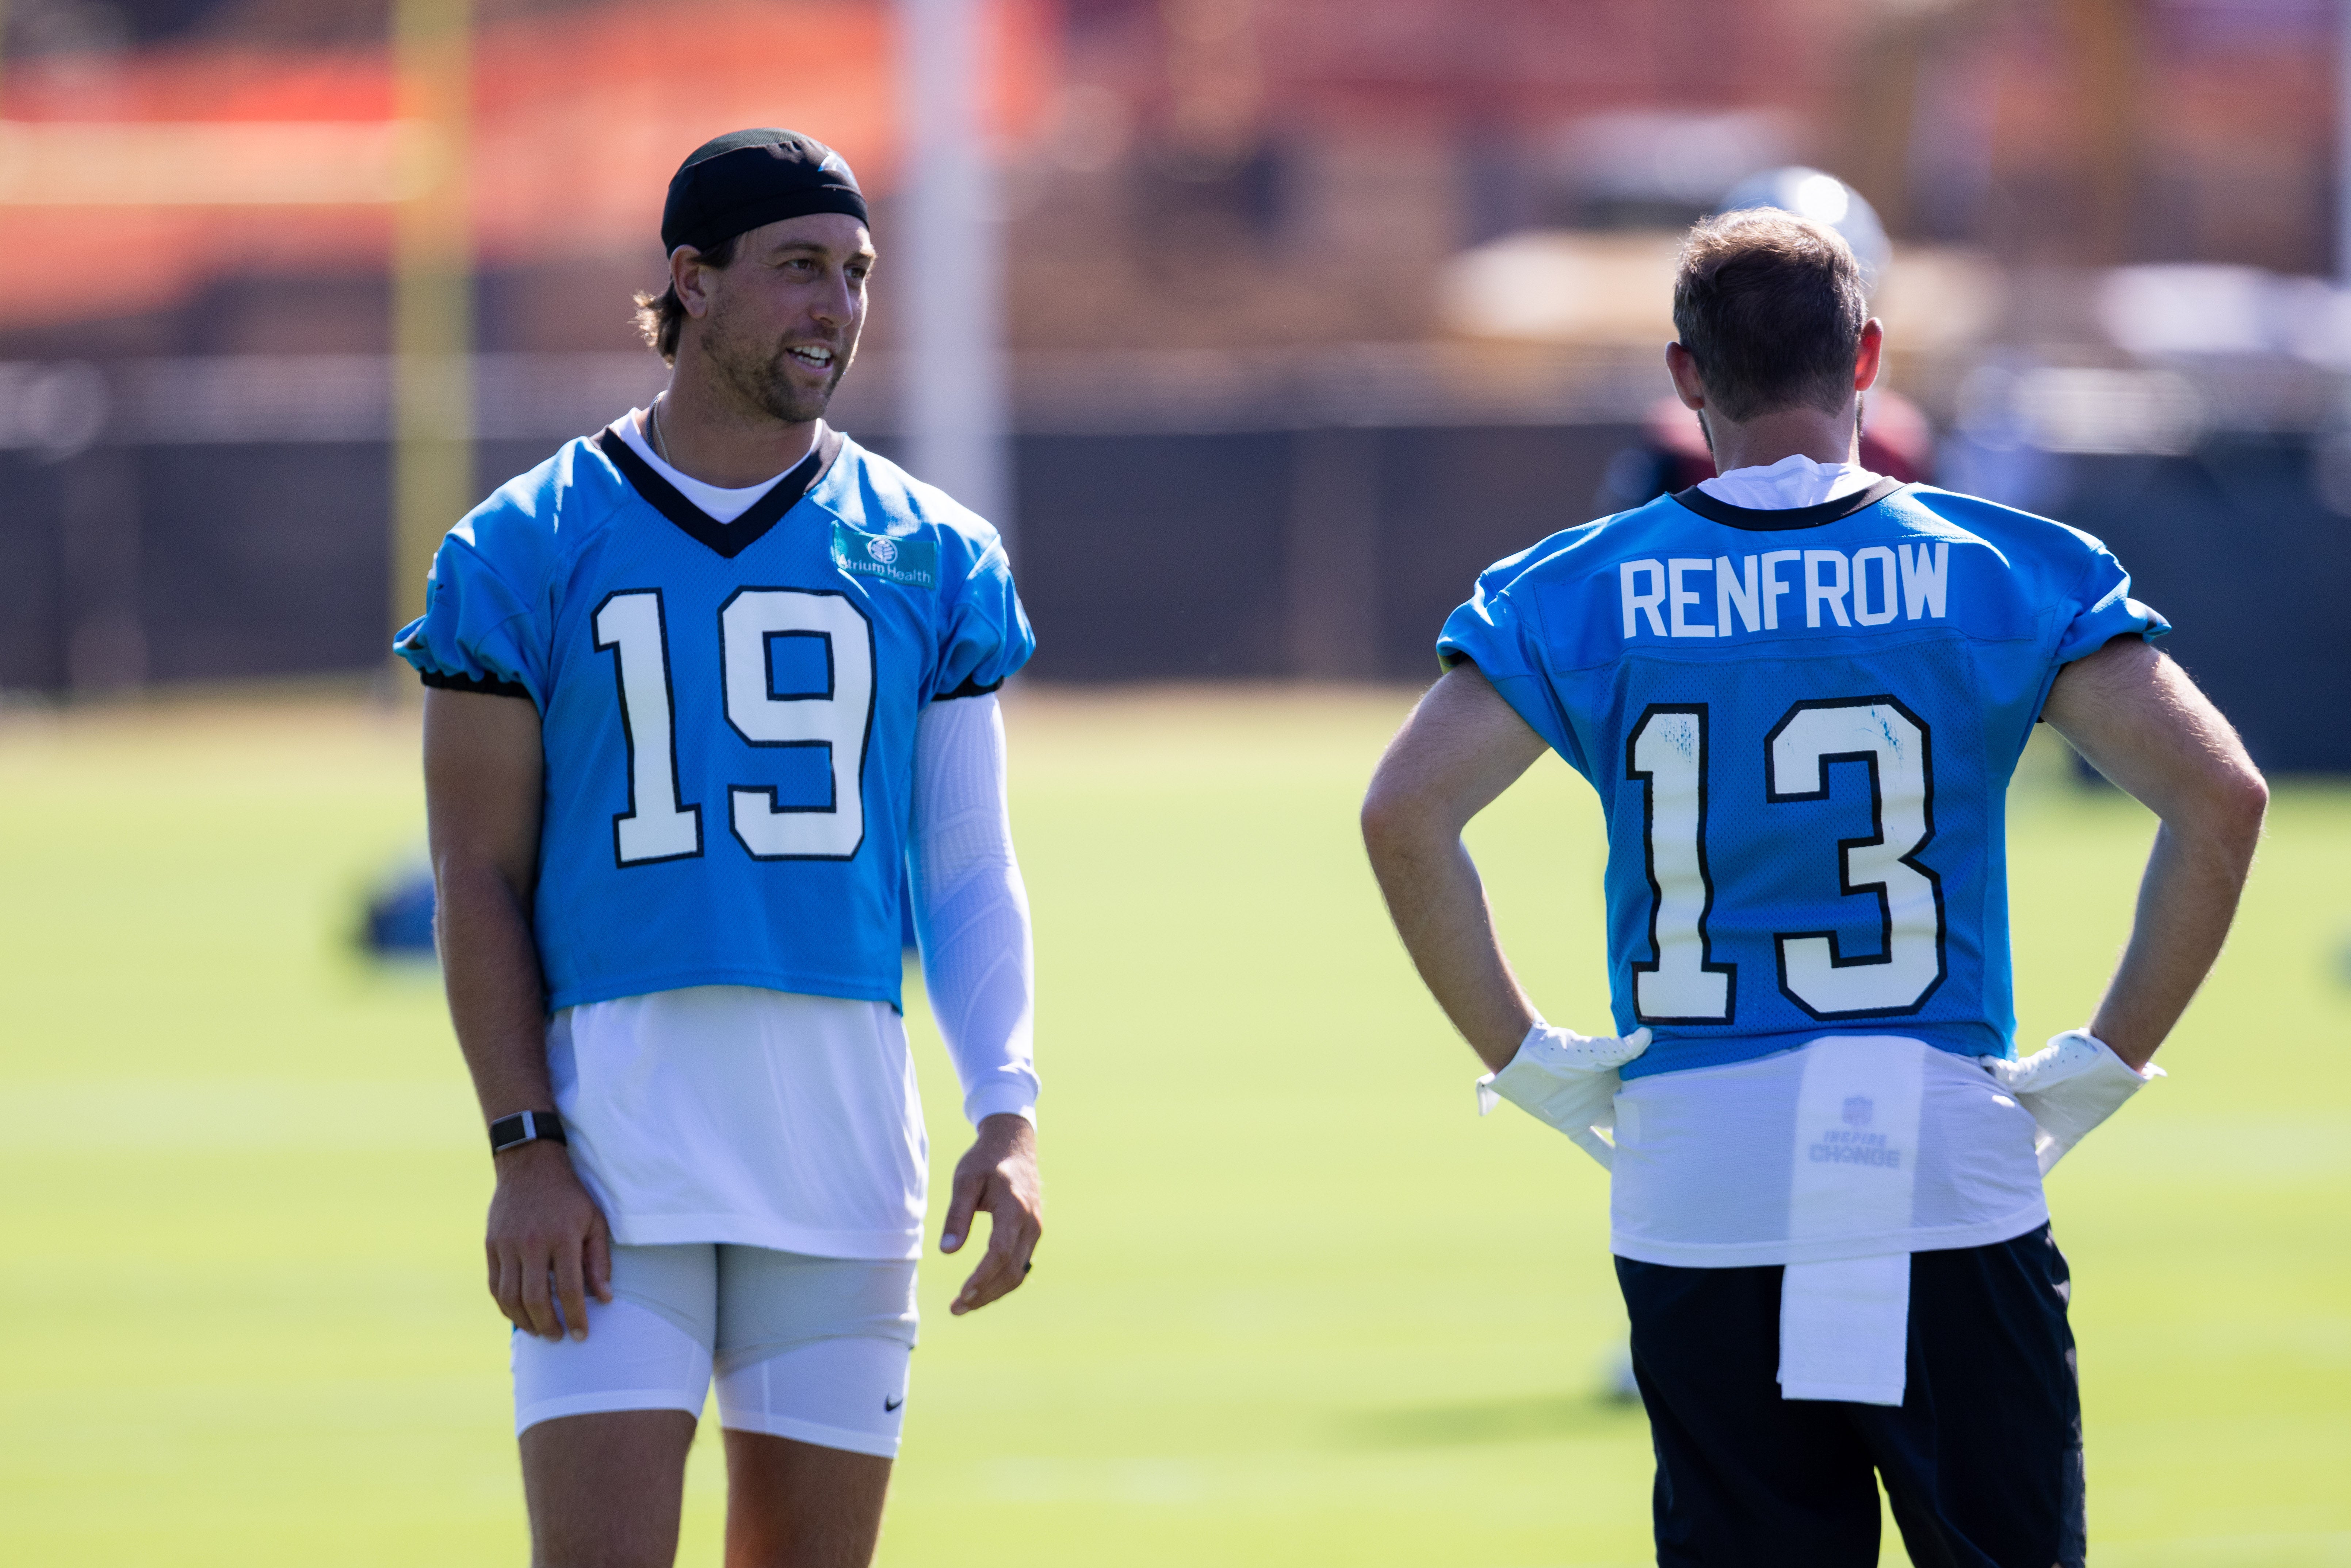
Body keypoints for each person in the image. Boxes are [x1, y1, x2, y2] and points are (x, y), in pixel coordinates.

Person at [1360, 208, 2266, 1567]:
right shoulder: (2000, 565)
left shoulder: (1579, 588)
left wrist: (1527, 1058)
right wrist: (2105, 1059)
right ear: (1869, 359)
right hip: (1935, 1141)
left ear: (1685, 376)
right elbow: (2222, 797)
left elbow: (1405, 812)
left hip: (1698, 1170)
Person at [396, 129, 1043, 1568]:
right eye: (799, 267)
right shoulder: (518, 546)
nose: (837, 305)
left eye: (857, 272)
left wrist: (1007, 1107)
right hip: (611, 1155)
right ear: (688, 281)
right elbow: (474, 879)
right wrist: (523, 1151)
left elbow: (966, 867)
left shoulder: (931, 550)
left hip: (838, 1155)